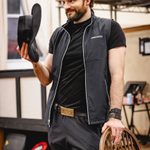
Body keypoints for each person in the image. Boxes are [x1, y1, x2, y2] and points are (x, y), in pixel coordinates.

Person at [17, 0, 126, 149]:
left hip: (88, 124)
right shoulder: (58, 34)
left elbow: (117, 75)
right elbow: (46, 78)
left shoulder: (109, 29)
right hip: (58, 123)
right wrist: (35, 63)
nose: (66, 6)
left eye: (71, 0)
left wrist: (115, 116)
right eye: (63, 1)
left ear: (87, 1)